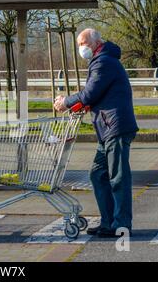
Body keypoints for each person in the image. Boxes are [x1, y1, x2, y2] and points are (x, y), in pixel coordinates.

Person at [54, 28, 139, 238]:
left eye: (83, 43)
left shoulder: (104, 62)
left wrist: (65, 102)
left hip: (114, 127)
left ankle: (121, 225)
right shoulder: (103, 60)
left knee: (118, 177)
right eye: (79, 45)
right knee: (98, 174)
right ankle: (109, 221)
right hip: (107, 128)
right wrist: (81, 104)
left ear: (95, 42)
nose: (81, 48)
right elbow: (95, 96)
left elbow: (90, 92)